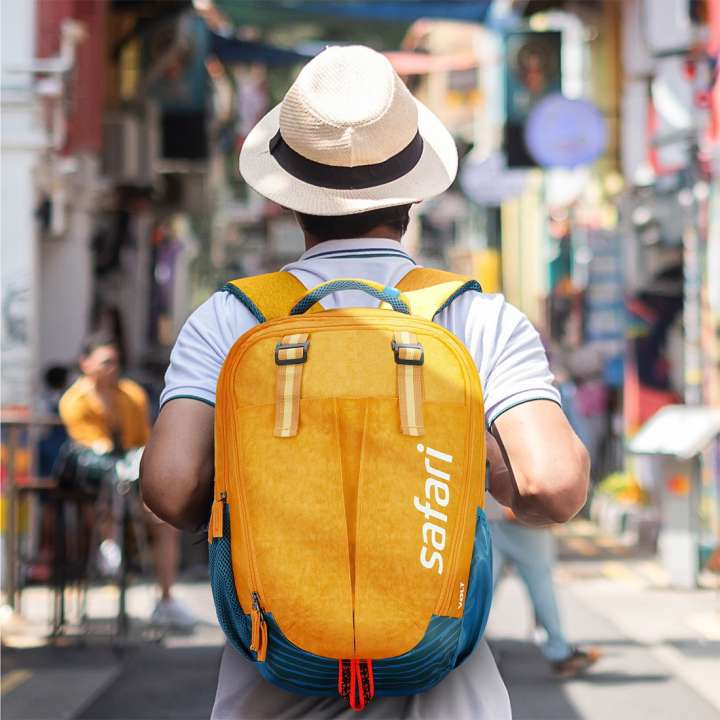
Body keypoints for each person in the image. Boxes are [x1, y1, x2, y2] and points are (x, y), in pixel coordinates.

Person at [141, 45, 590, 719]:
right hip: (443, 689)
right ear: (413, 188)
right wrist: (474, 465)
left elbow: (170, 488)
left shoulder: (230, 317)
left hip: (271, 679)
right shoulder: (476, 315)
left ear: (287, 194)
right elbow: (554, 486)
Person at [59, 334, 197, 631]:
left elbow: (143, 442)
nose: (112, 368)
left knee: (165, 520)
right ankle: (109, 543)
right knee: (110, 485)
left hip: (129, 475)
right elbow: (90, 447)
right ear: (86, 364)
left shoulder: (132, 394)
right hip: (93, 483)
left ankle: (166, 598)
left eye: (115, 362)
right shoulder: (74, 400)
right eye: (105, 362)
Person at [487, 499, 601, 676]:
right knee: (541, 584)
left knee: (482, 587)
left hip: (484, 511)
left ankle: (463, 649)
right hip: (523, 514)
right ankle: (559, 650)